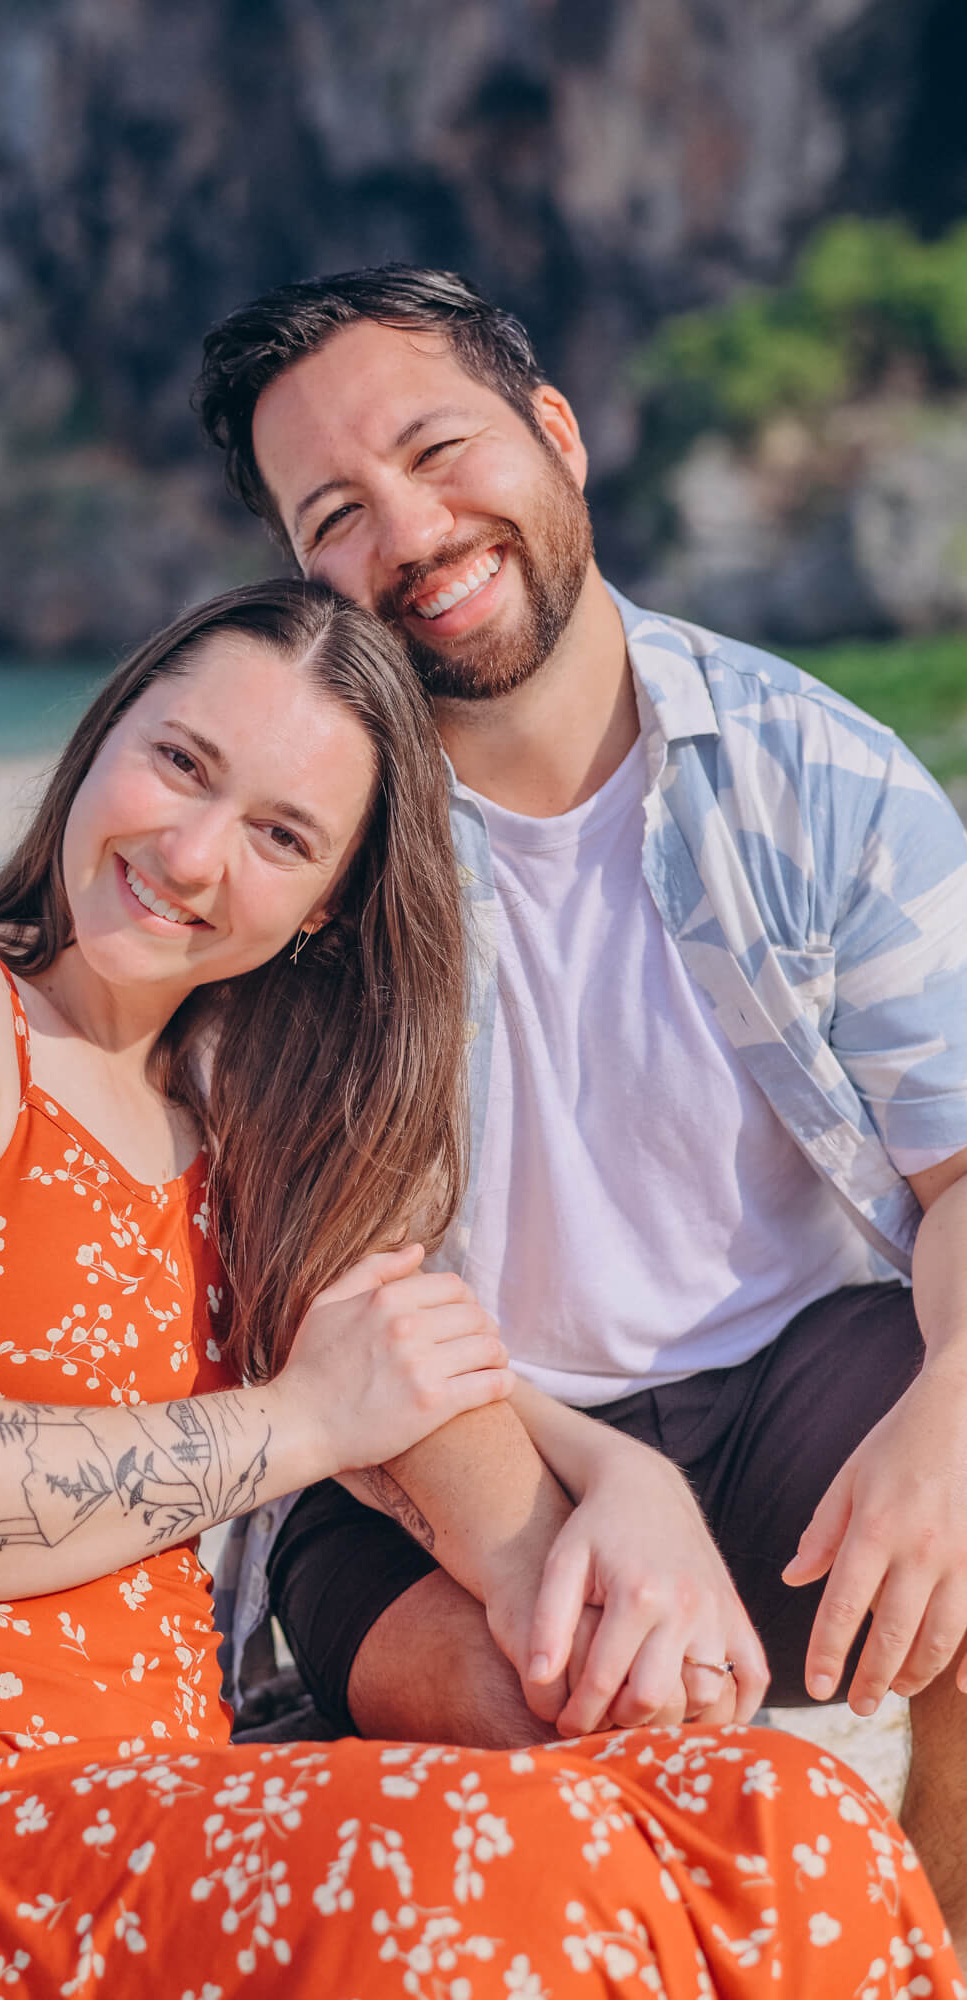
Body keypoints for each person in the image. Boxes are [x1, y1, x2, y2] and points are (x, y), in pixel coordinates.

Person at [0, 580, 957, 1996]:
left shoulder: (234, 1126)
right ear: (98, 739)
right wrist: (302, 1426)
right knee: (493, 1881)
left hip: (144, 1794)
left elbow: (403, 1374)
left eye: (280, 837)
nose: (194, 856)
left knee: (781, 1819)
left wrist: (616, 1481)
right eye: (180, 763)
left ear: (329, 907)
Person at [197, 267, 967, 1951]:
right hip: (437, 1445)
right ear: (302, 570)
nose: (410, 530)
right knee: (545, 1707)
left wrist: (949, 1421)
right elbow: (348, 1291)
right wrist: (576, 1534)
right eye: (337, 512)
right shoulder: (308, 855)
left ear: (554, 433)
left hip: (787, 1385)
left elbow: (960, 1166)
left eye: (438, 448)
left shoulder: (812, 774)